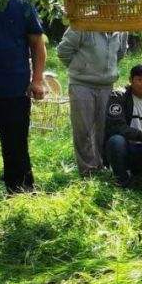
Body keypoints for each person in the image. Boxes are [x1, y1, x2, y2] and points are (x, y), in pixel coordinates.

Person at [0, 0, 46, 193]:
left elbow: (37, 44)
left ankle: (21, 191)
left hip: (14, 88)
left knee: (15, 143)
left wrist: (37, 79)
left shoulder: (21, 5)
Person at [57, 25, 127, 176]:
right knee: (83, 128)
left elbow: (120, 53)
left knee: (104, 126)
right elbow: (63, 51)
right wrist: (80, 69)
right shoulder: (83, 23)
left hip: (107, 84)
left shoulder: (122, 27)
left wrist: (108, 71)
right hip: (81, 83)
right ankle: (87, 169)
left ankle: (102, 164)